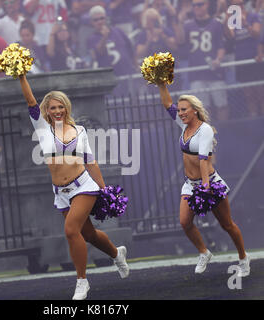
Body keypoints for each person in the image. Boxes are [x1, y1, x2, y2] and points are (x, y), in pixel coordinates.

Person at [18, 74, 129, 300]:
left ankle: (81, 282)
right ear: (46, 111)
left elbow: (90, 161)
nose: (57, 111)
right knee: (88, 234)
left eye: (60, 106)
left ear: (66, 108)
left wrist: (104, 189)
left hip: (83, 186)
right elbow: (30, 101)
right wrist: (21, 75)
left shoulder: (79, 131)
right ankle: (117, 253)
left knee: (71, 230)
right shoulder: (42, 129)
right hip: (61, 192)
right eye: (52, 108)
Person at [155, 79, 250, 277]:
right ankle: (204, 252)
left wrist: (206, 187)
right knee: (184, 222)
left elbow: (203, 160)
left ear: (195, 111)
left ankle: (243, 258)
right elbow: (166, 104)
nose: (180, 113)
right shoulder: (183, 127)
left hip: (210, 184)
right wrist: (161, 84)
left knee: (227, 225)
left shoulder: (204, 129)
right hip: (190, 185)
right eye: (179, 110)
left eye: (184, 110)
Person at [177, 0, 229, 121]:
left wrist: (218, 59)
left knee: (221, 104)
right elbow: (180, 41)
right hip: (197, 72)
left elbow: (221, 46)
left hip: (214, 72)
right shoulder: (187, 25)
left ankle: (224, 131)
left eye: (200, 4)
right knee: (203, 108)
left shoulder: (216, 23)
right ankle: (208, 134)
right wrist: (179, 21)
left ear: (207, 5)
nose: (197, 7)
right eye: (194, 5)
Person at [87, 5, 136, 95]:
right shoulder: (92, 39)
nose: (99, 22)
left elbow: (131, 49)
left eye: (101, 18)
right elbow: (99, 52)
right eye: (96, 20)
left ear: (106, 19)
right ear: (91, 22)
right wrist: (105, 37)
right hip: (112, 79)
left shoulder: (118, 31)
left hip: (127, 75)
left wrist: (135, 66)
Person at [227, 0, 262, 117]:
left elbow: (257, 33)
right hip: (241, 61)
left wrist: (246, 23)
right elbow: (230, 37)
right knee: (248, 95)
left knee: (260, 93)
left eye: (241, 4)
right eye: (236, 5)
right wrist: (226, 21)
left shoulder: (253, 16)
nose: (239, 7)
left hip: (255, 60)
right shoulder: (233, 21)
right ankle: (253, 116)